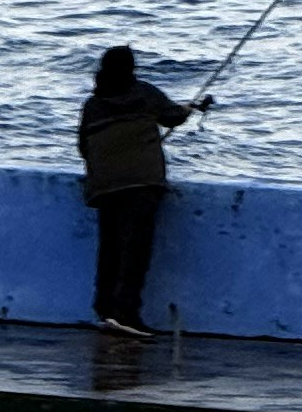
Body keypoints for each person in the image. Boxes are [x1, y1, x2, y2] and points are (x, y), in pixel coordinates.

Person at [75, 44, 207, 330]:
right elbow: (172, 116)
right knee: (135, 250)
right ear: (131, 68)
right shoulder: (144, 93)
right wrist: (190, 108)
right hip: (141, 184)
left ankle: (105, 309)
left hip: (105, 186)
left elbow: (83, 147)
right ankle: (127, 315)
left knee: (110, 248)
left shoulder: (93, 104)